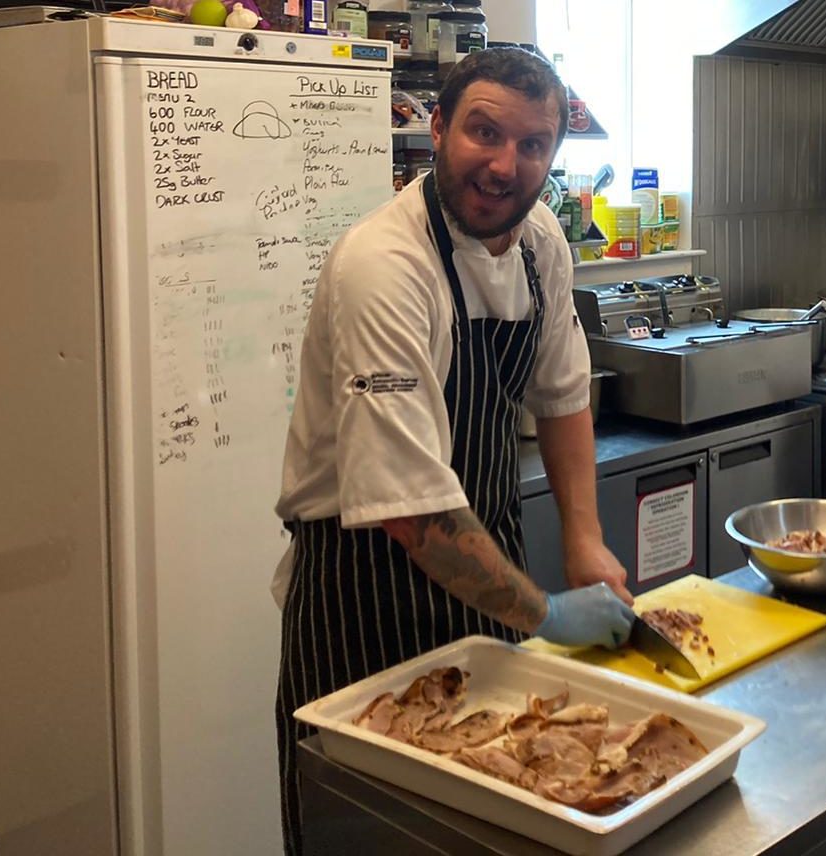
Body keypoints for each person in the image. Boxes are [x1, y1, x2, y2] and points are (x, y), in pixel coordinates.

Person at [271, 48, 637, 854]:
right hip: (362, 602)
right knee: (370, 833)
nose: (507, 166)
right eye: (484, 132)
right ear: (437, 128)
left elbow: (564, 392)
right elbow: (410, 512)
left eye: (534, 144)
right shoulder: (385, 267)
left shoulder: (541, 243)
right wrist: (545, 612)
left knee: (487, 832)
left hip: (485, 592)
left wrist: (583, 537)